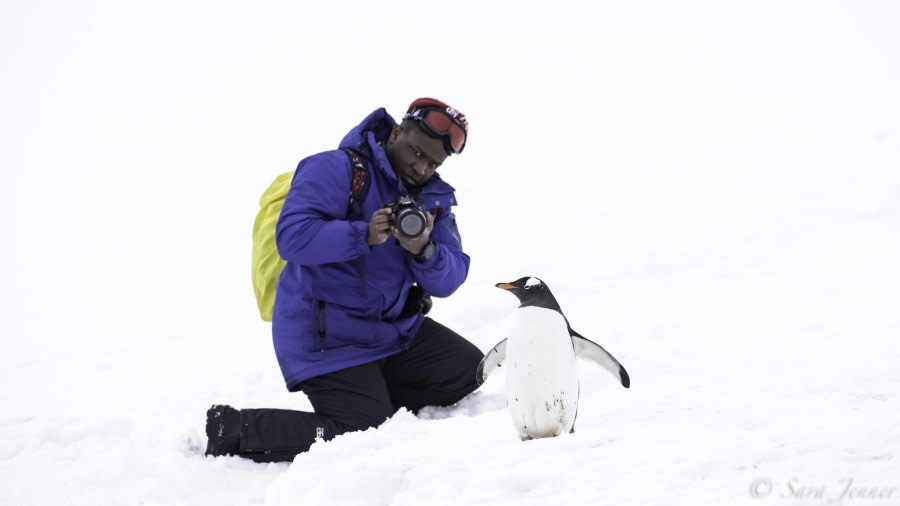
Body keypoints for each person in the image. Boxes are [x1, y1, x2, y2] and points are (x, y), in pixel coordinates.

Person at [205, 98, 483, 462]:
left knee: (468, 372)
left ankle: (373, 402)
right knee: (364, 430)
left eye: (433, 163)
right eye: (417, 152)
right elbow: (292, 237)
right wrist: (362, 235)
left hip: (389, 331)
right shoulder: (336, 169)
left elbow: (449, 279)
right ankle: (236, 428)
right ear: (397, 133)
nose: (421, 167)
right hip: (325, 337)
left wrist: (422, 249)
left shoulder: (433, 199)